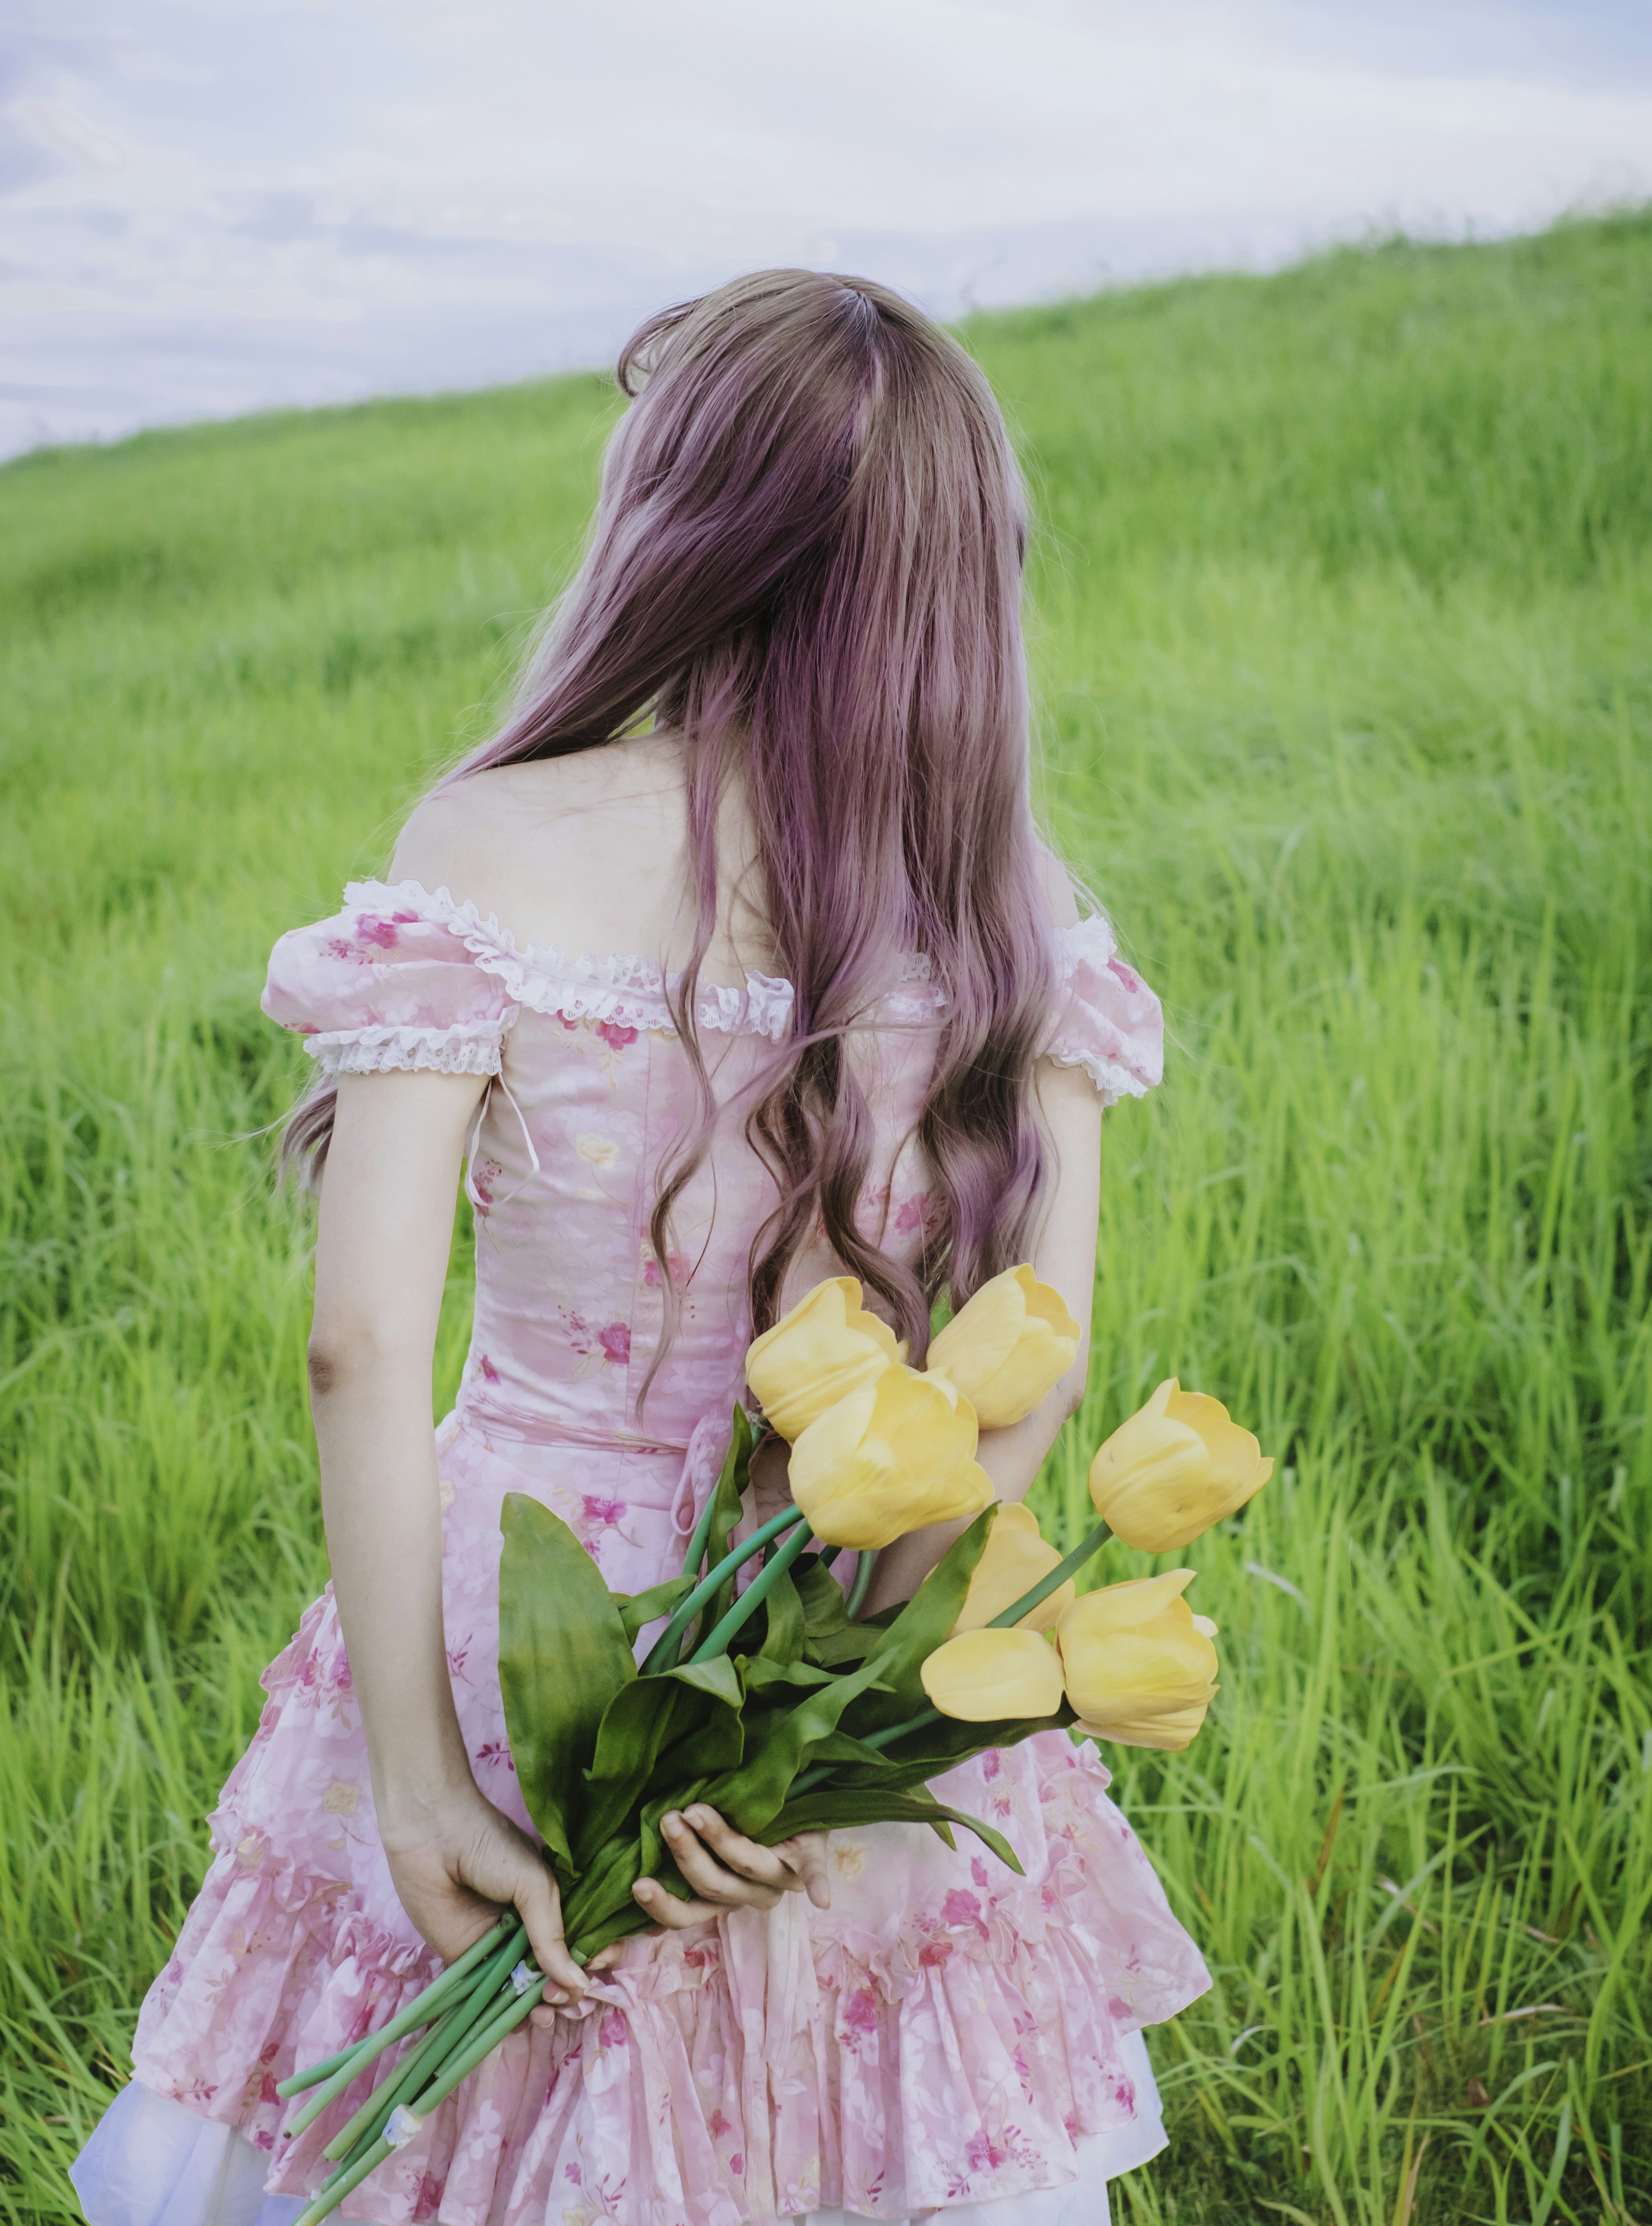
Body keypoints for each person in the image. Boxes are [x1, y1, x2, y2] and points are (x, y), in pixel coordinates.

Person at [71, 270, 1207, 2226]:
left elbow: (358, 1341)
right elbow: (1033, 1366)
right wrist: (816, 1728)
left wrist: (426, 1781)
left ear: (677, 530)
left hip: (528, 1624)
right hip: (852, 1610)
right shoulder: (1014, 910)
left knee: (475, 2097)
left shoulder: (490, 848)